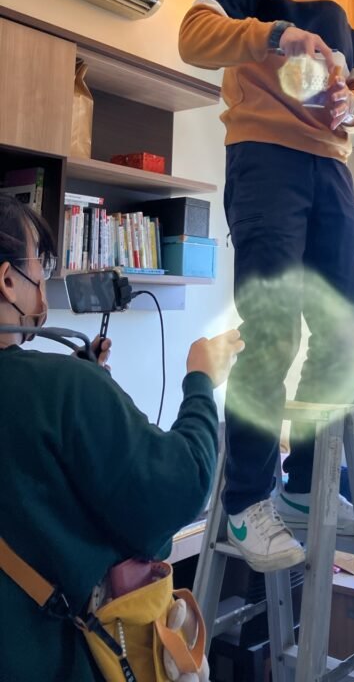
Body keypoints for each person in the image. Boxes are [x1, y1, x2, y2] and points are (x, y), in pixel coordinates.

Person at [178, 0, 354, 572]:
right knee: (273, 330)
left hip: (331, 165)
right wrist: (278, 33)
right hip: (265, 156)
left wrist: (353, 111)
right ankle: (244, 503)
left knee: (343, 328)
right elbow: (194, 35)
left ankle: (301, 488)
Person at [0, 194, 244, 682]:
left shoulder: (62, 386)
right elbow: (178, 489)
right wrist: (201, 381)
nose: (42, 280)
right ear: (8, 279)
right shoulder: (66, 388)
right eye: (39, 264)